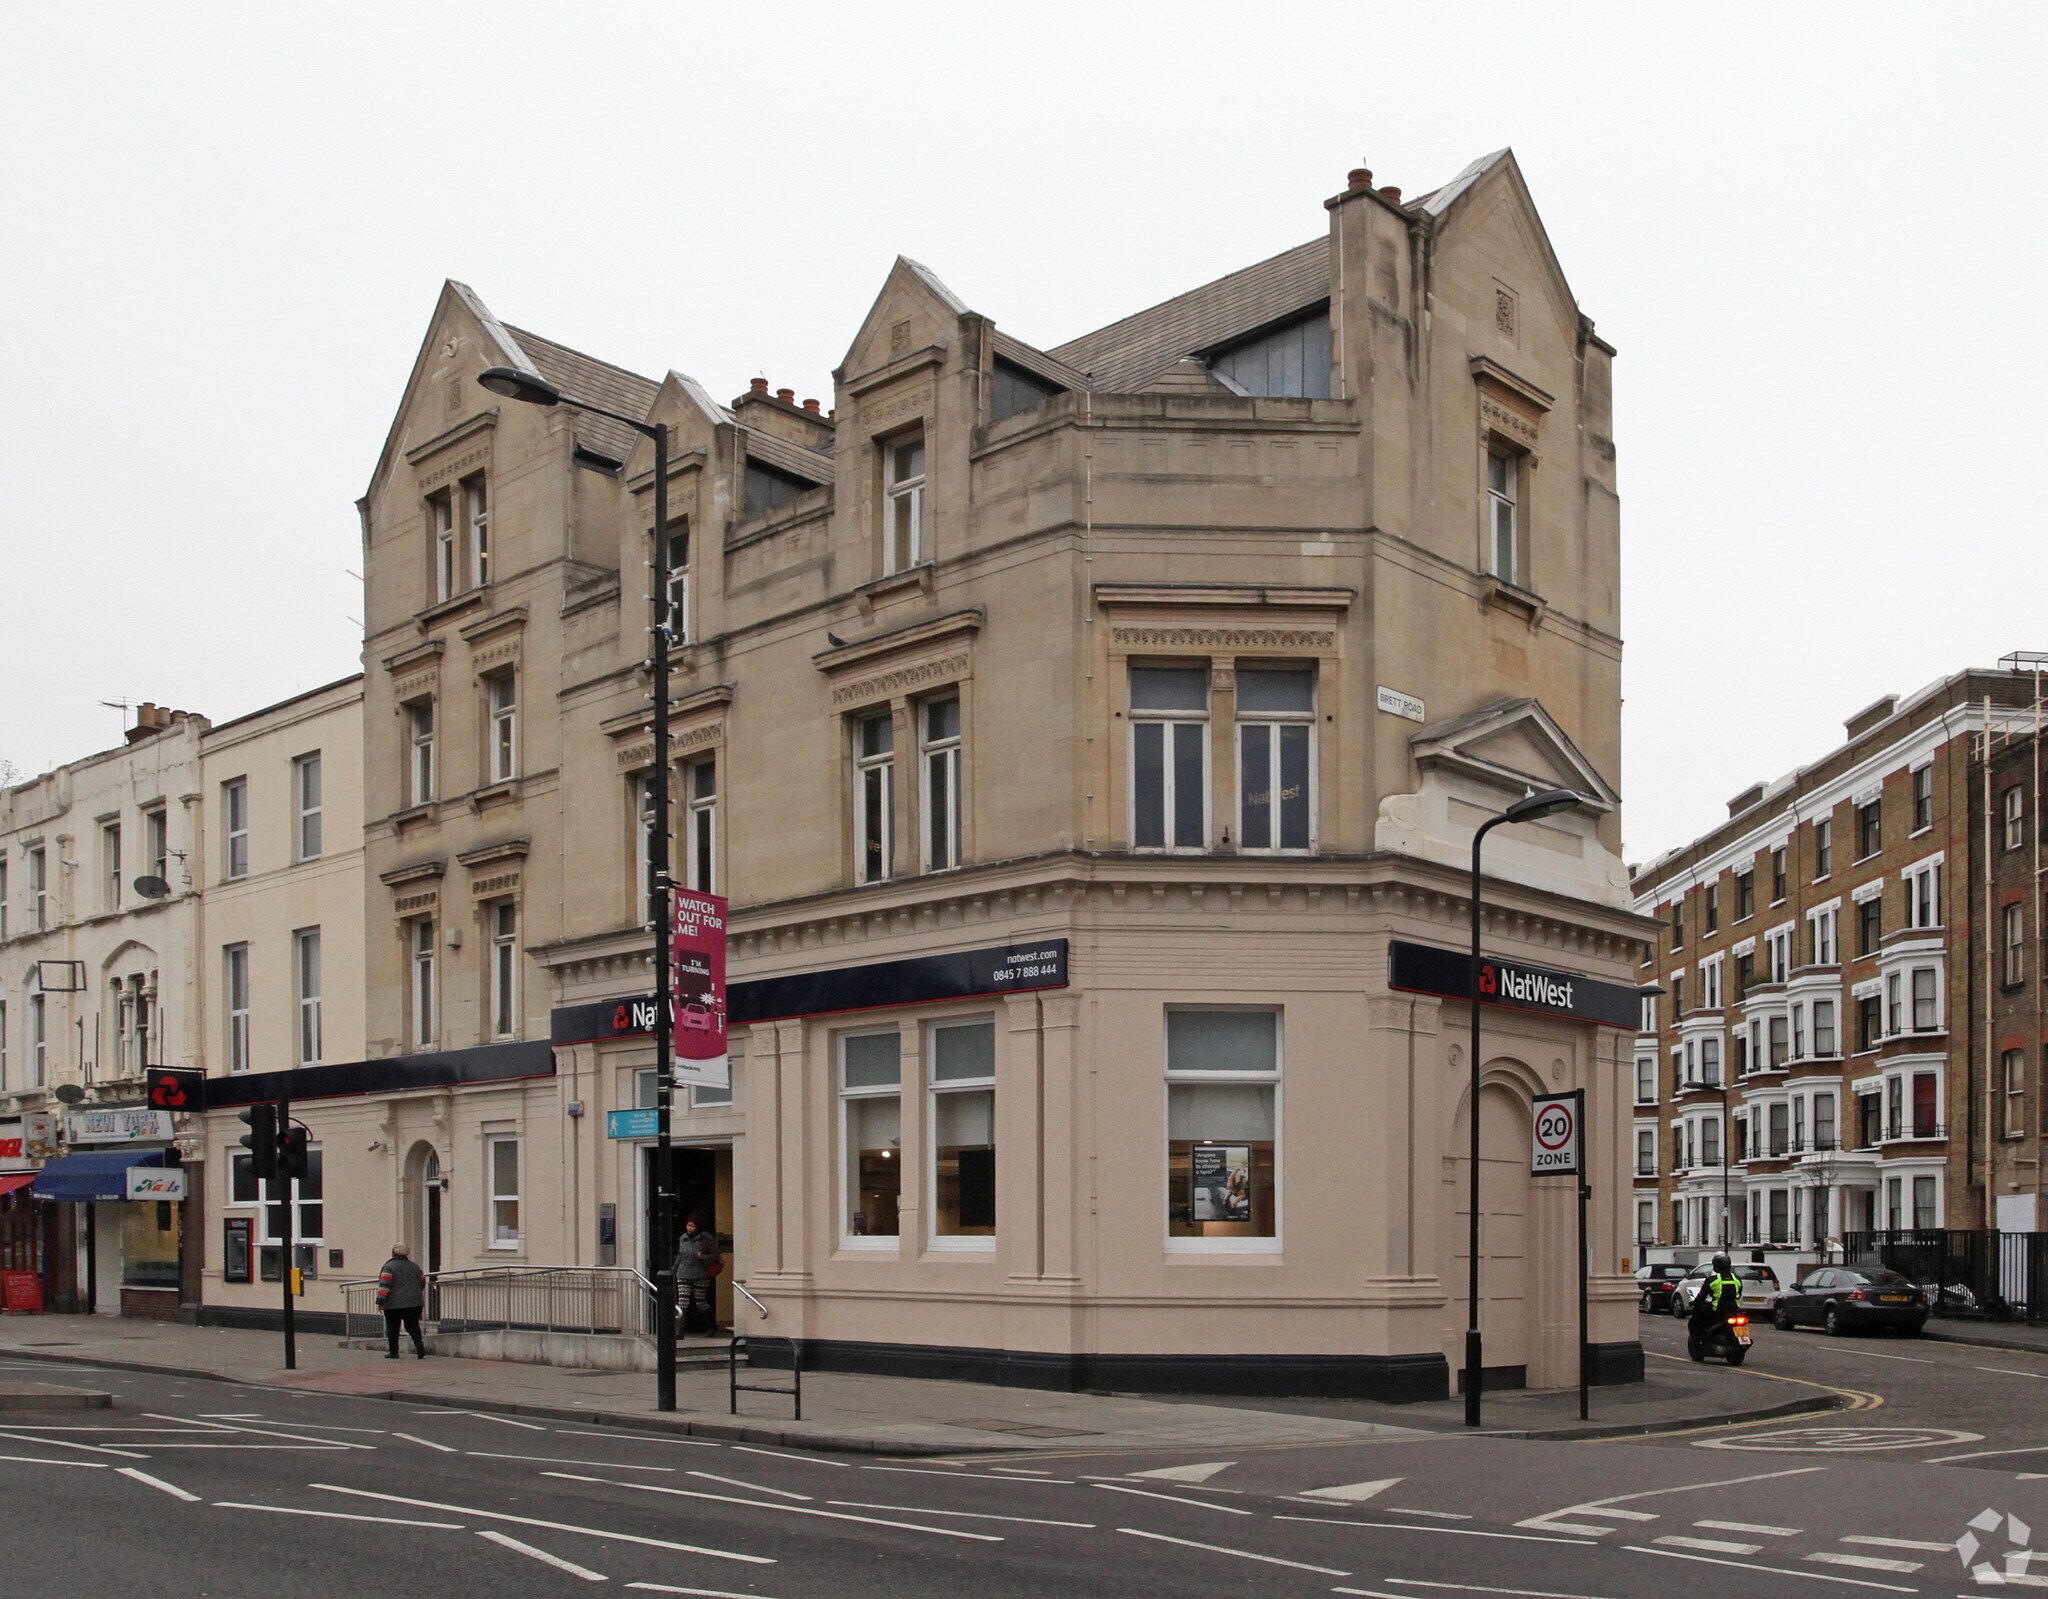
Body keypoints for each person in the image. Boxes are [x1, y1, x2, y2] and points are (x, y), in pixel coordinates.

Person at [377, 1242, 427, 1359]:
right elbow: (422, 1282)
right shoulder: (415, 1266)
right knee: (413, 1326)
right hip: (415, 1303)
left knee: (393, 1328)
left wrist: (380, 1301)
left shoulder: (389, 1267)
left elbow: (384, 1285)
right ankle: (419, 1345)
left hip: (394, 1304)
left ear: (393, 1253)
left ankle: (394, 1352)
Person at [675, 1214, 720, 1336]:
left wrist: (703, 1257)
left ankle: (712, 1326)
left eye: (692, 1226)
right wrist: (673, 1270)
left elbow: (716, 1255)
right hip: (683, 1272)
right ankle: (680, 1330)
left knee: (700, 1301)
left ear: (697, 1226)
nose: (689, 1228)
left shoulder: (706, 1239)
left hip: (700, 1273)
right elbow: (680, 1255)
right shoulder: (683, 1238)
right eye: (688, 1225)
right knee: (683, 1301)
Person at [1689, 1251, 1743, 1341]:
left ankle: (1701, 1339)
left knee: (1699, 1317)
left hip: (1717, 1311)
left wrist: (1695, 1303)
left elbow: (1702, 1296)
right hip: (1734, 1310)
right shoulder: (1737, 1279)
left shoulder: (1712, 1280)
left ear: (1716, 1266)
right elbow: (1739, 1294)